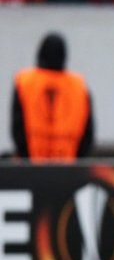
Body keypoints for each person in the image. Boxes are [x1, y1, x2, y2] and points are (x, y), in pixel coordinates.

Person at [11, 32, 94, 162]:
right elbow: (88, 133)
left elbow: (17, 127)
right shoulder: (78, 86)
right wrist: (76, 164)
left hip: (31, 165)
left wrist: (27, 160)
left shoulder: (25, 82)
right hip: (68, 166)